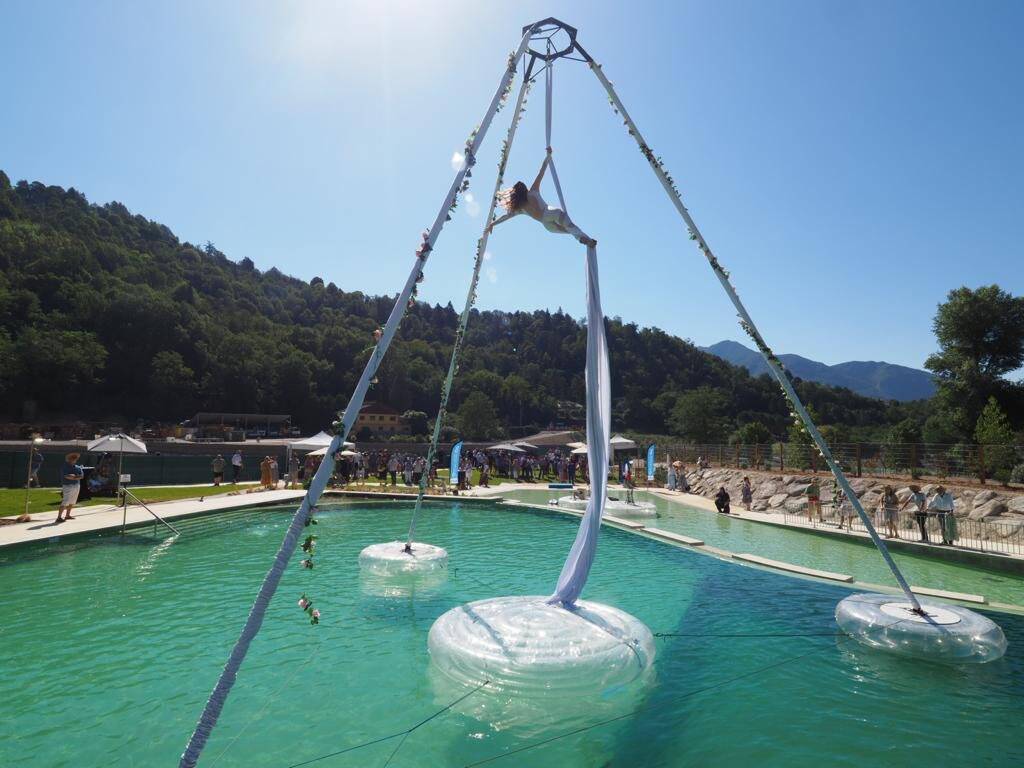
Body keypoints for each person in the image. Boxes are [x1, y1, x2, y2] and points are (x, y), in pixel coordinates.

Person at [486, 148, 597, 247]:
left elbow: (506, 217)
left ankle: (585, 240)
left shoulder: (520, 208)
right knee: (571, 227)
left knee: (569, 230)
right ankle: (584, 239)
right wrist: (548, 156)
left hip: (547, 226)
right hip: (550, 213)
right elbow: (541, 172)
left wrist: (493, 224)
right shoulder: (533, 191)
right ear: (524, 188)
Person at [56, 452, 84, 523]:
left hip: (76, 485)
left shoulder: (78, 467)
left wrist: (74, 477)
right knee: (65, 501)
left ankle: (67, 515)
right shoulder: (65, 467)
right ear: (69, 459)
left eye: (75, 458)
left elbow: (81, 476)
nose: (74, 459)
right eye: (72, 458)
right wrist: (75, 477)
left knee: (73, 501)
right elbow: (67, 476)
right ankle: (59, 517)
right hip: (68, 485)